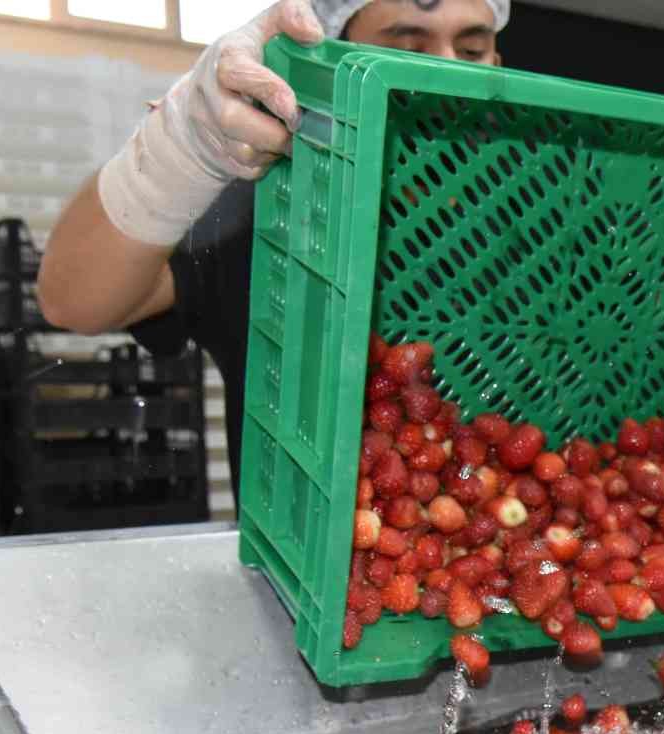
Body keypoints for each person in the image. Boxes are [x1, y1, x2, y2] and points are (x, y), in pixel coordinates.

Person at [36, 0, 511, 490]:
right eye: (407, 48)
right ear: (336, 64)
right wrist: (176, 151)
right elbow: (73, 301)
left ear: (497, 64)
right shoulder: (270, 208)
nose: (448, 71)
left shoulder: (537, 209)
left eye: (472, 49)